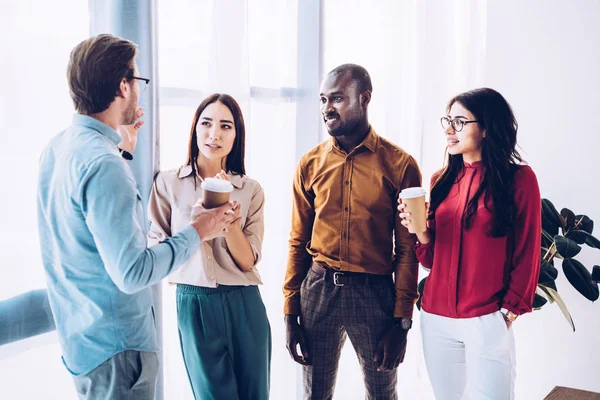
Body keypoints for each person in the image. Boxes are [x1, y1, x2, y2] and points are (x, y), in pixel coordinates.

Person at [37, 34, 239, 400]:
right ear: (123, 87)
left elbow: (83, 243)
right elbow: (133, 273)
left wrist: (120, 152)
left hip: (84, 344)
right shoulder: (104, 165)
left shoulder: (58, 148)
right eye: (139, 81)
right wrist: (199, 230)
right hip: (119, 353)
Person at [283, 64, 422, 400]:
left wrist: (402, 322)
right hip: (317, 290)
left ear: (365, 98)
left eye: (338, 98)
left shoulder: (400, 165)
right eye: (323, 99)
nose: (327, 108)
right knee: (314, 394)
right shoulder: (310, 164)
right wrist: (290, 311)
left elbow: (407, 250)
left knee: (382, 394)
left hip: (374, 294)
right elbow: (298, 241)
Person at [398, 88, 541, 400]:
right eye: (448, 121)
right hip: (436, 319)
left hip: (486, 317)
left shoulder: (519, 179)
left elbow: (528, 251)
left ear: (487, 127)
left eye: (460, 122)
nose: (449, 130)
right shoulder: (440, 179)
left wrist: (508, 312)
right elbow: (431, 260)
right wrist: (419, 230)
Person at [148, 93, 271, 400]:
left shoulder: (250, 190)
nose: (214, 134)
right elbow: (157, 252)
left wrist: (228, 225)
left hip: (244, 302)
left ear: (236, 135)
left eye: (225, 126)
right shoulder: (167, 183)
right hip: (194, 302)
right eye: (206, 123)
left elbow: (248, 262)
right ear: (195, 129)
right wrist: (197, 226)